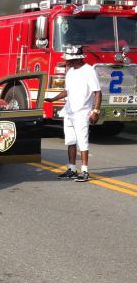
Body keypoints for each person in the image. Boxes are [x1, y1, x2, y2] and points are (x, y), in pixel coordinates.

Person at [46, 45, 101, 182]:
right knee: (70, 141)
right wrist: (52, 99)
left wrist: (95, 111)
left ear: (78, 59)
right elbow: (67, 91)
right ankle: (72, 169)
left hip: (82, 112)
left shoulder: (89, 71)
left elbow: (97, 92)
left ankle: (85, 171)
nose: (67, 62)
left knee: (83, 142)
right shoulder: (70, 72)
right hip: (69, 111)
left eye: (69, 60)